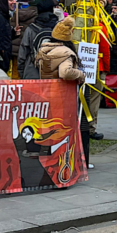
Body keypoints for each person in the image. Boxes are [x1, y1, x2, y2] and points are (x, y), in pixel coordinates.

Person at [33, 15, 89, 166]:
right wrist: (81, 74)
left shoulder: (45, 49)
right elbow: (65, 73)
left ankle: (47, 158)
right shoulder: (65, 53)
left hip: (46, 92)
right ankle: (61, 161)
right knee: (62, 129)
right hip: (62, 95)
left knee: (49, 127)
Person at [17, 0, 59, 78]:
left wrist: (21, 71)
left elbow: (23, 52)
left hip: (32, 70)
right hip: (53, 71)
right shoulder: (58, 29)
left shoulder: (31, 29)